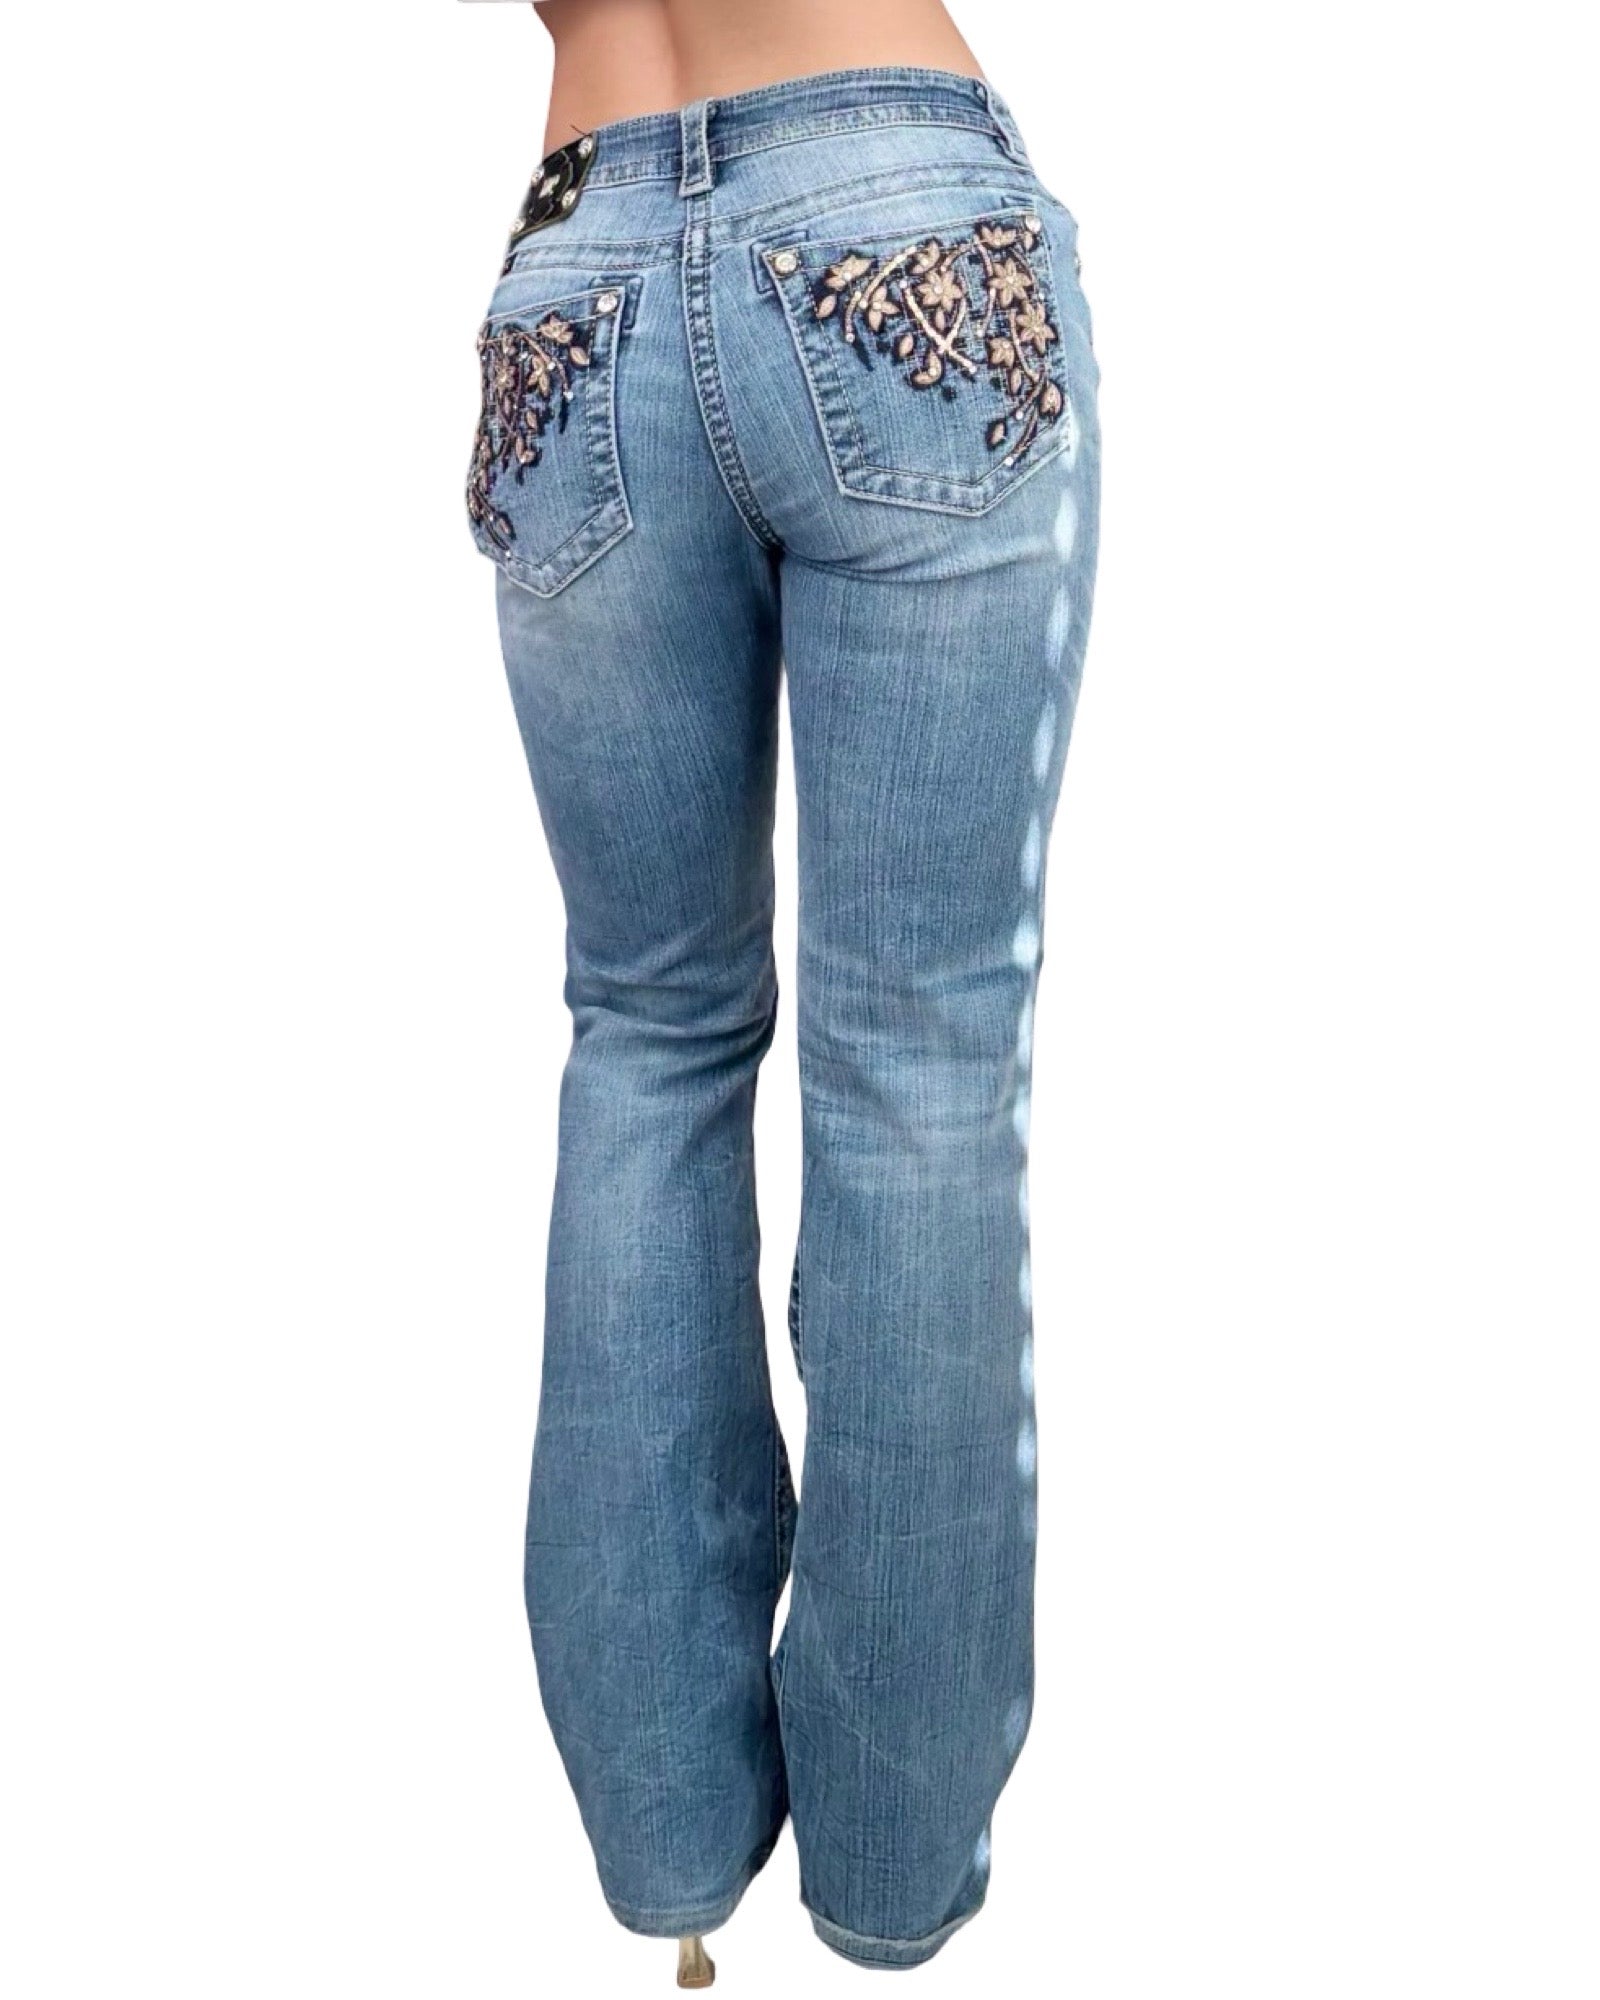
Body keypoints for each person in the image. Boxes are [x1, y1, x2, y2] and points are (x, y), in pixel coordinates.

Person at [461, 0, 1100, 1983]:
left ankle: (668, 1855)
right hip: (892, 217)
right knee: (919, 1062)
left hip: (572, 274)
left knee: (643, 1038)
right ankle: (891, 1874)